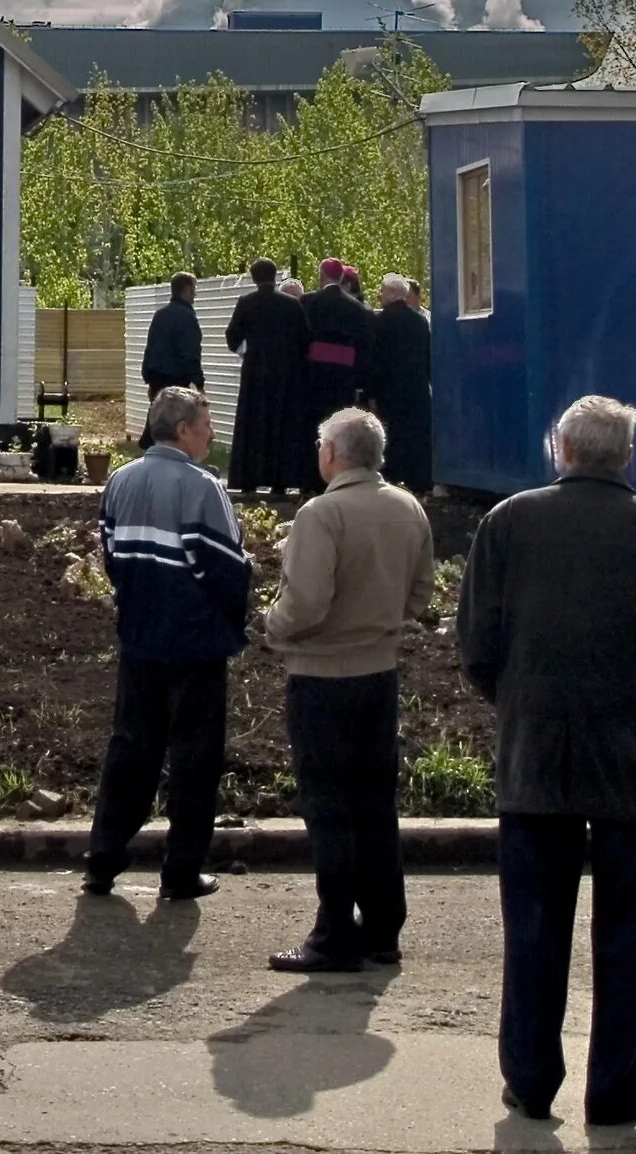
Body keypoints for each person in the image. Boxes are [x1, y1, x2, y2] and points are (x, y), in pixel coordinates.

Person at [459, 396, 636, 1129]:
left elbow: (477, 646)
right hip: (625, 754)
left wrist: (517, 699)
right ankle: (616, 1091)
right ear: (627, 455)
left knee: (533, 926)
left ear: (561, 447)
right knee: (625, 930)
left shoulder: (509, 522)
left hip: (534, 749)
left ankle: (531, 1081)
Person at [262, 404, 435, 971]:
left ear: (331, 454)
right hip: (378, 672)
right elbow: (420, 596)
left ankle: (333, 934)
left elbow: (306, 604)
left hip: (321, 675)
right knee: (374, 804)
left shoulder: (321, 515)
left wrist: (272, 623)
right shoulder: (408, 509)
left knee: (329, 808)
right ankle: (383, 927)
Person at [84, 385, 250, 902]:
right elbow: (227, 568)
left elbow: (111, 554)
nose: (211, 433)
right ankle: (181, 871)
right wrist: (231, 619)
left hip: (139, 637)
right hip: (195, 644)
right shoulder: (203, 486)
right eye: (205, 424)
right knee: (195, 759)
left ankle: (103, 861)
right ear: (183, 431)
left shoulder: (119, 480)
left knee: (130, 748)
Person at [223, 261, 308, 495]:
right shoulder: (292, 305)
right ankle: (280, 481)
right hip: (285, 376)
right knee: (281, 425)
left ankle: (249, 478)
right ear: (274, 276)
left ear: (253, 278)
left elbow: (232, 337)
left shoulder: (247, 303)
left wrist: (248, 350)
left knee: (253, 424)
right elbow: (305, 338)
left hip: (255, 374)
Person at [296, 262, 373, 496]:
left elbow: (299, 340)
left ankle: (310, 479)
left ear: (321, 276)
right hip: (343, 378)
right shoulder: (358, 309)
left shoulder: (307, 303)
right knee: (339, 428)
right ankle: (340, 476)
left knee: (311, 426)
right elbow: (365, 349)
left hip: (313, 376)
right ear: (342, 278)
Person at [361, 274, 434, 495]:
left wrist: (370, 392)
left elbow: (374, 359)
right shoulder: (420, 321)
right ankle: (419, 480)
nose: (380, 295)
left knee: (392, 434)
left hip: (389, 389)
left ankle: (391, 477)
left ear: (392, 294)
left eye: (382, 291)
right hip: (416, 387)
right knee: (415, 434)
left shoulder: (379, 322)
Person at [142, 272, 205, 400]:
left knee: (157, 417)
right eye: (194, 289)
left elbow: (150, 348)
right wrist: (199, 384)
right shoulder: (188, 318)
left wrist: (148, 378)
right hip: (177, 382)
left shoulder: (159, 315)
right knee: (177, 417)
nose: (195, 294)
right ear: (187, 290)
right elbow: (191, 353)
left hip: (156, 380)